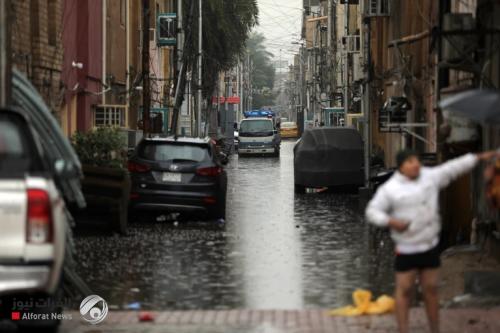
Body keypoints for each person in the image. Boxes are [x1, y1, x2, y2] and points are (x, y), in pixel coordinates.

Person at [365, 149, 497, 333]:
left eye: (417, 161)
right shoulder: (391, 188)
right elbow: (372, 211)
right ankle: (403, 329)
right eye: (410, 162)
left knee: (431, 290)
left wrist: (479, 157)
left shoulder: (430, 177)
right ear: (402, 167)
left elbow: (454, 167)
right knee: (404, 290)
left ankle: (434, 328)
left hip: (428, 247)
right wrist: (390, 221)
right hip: (406, 248)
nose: (416, 165)